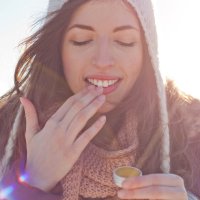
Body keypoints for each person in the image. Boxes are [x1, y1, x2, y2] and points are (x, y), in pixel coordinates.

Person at [0, 0, 200, 199]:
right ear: (58, 48)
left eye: (124, 41)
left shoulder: (190, 133)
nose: (103, 61)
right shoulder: (7, 128)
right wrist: (33, 181)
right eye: (82, 40)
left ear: (146, 52)